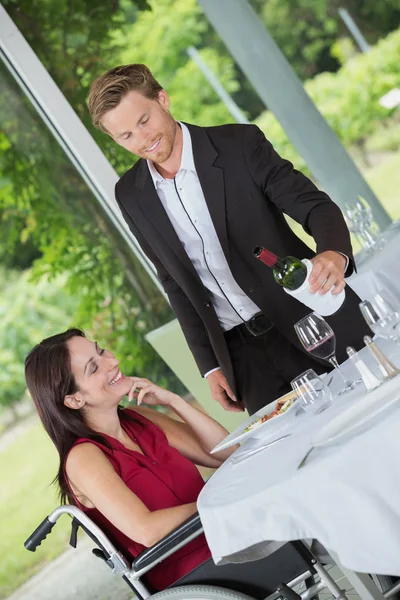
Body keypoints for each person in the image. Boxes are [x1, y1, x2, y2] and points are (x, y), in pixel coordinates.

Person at [88, 64, 371, 415]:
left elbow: (314, 206)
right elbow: (173, 282)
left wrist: (332, 252)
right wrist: (209, 365)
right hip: (245, 361)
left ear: (162, 99)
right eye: (125, 136)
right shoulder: (130, 195)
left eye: (144, 121)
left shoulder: (239, 144)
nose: (142, 140)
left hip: (312, 320)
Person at [24, 328, 234, 590]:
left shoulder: (139, 419)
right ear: (75, 399)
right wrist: (225, 500)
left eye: (101, 351)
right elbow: (147, 530)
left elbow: (225, 453)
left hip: (226, 538)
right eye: (94, 367)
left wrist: (173, 401)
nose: (112, 362)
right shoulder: (83, 457)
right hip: (195, 576)